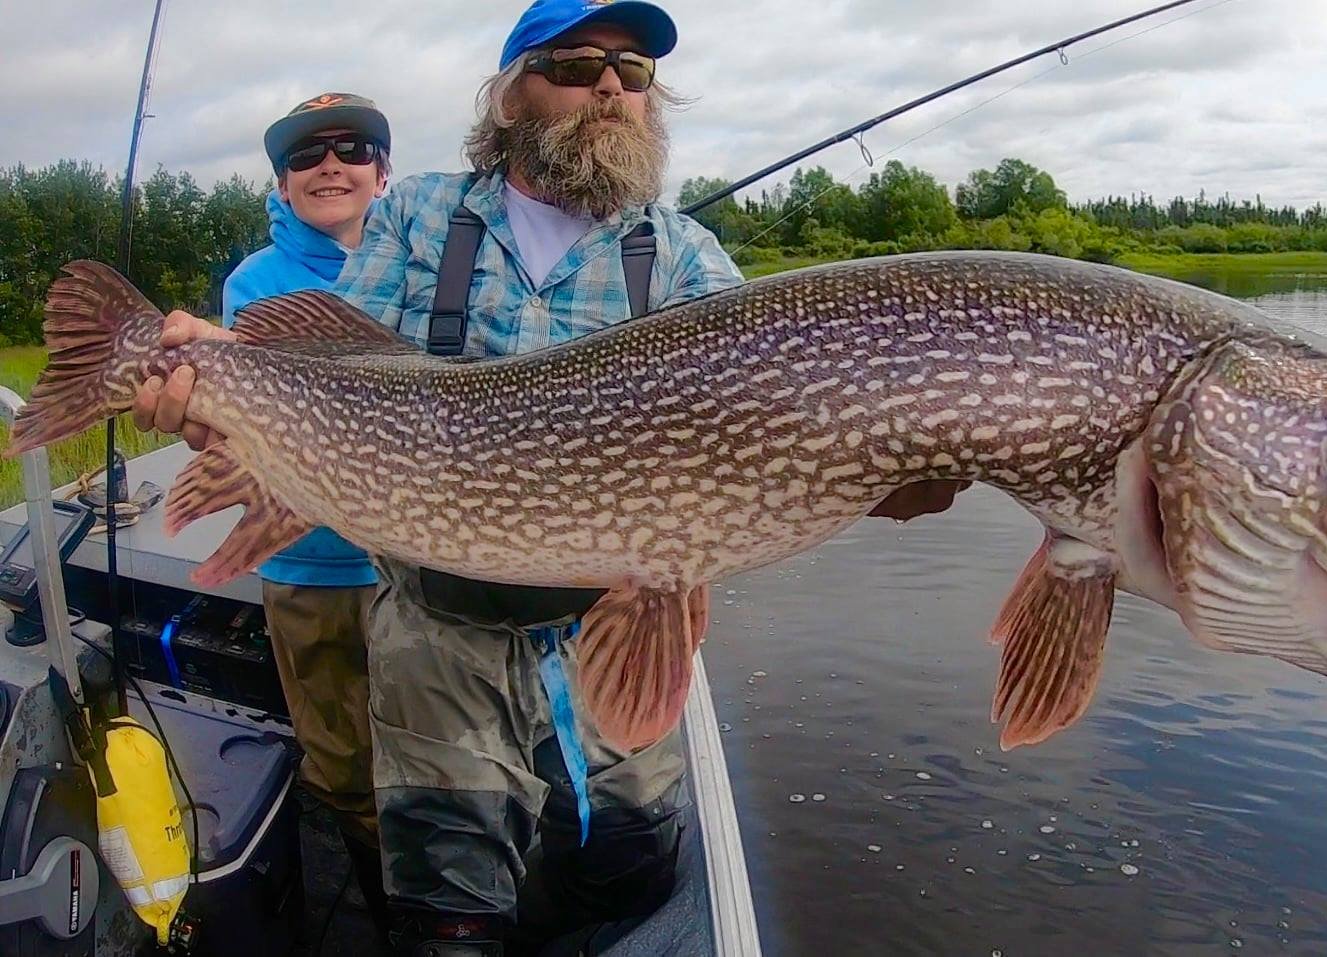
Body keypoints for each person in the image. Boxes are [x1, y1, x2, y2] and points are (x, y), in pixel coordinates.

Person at [132, 1, 965, 953]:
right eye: (574, 64)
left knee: (625, 877)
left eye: (634, 70)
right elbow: (329, 377)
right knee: (449, 913)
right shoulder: (419, 213)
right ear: (511, 95)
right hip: (440, 637)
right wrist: (226, 409)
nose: (610, 84)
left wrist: (892, 465)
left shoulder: (685, 255)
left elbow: (789, 414)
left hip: (623, 626)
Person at [219, 91, 395, 935]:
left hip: (409, 561)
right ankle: (379, 901)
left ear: (382, 173)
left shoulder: (418, 269)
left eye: (353, 147)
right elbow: (245, 429)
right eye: (305, 155)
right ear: (284, 185)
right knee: (343, 756)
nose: (331, 164)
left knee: (420, 743)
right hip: (308, 561)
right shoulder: (258, 282)